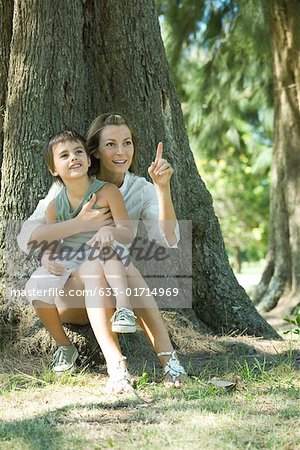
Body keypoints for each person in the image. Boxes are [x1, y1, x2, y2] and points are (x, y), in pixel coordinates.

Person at [18, 113, 186, 392]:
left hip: (111, 280)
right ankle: (120, 365)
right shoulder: (71, 183)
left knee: (120, 264)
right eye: (111, 144)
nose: (121, 152)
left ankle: (166, 361)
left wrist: (162, 189)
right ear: (95, 150)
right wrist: (52, 247)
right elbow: (27, 235)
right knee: (111, 265)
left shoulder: (140, 190)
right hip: (71, 293)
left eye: (127, 143)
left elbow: (169, 239)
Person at [26, 130, 138, 370]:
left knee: (105, 253)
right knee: (35, 285)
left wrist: (111, 232)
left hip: (106, 262)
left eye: (78, 152)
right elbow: (51, 243)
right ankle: (64, 346)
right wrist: (47, 258)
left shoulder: (107, 192)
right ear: (54, 169)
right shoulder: (55, 207)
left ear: (88, 160)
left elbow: (126, 233)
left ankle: (124, 309)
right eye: (64, 155)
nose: (73, 158)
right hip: (73, 271)